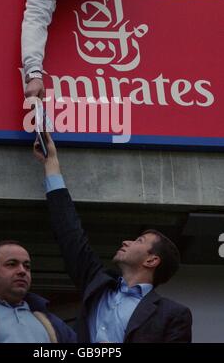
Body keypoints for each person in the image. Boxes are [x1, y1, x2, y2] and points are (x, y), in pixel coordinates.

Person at [34, 133, 193, 343]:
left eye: (139, 241)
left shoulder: (172, 315)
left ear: (151, 260)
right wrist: (51, 163)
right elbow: (70, 233)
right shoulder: (97, 286)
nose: (126, 241)